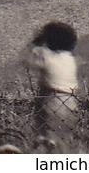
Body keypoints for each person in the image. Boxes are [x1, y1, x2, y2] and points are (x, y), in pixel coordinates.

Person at [26, 21, 79, 151]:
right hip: (70, 101)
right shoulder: (70, 57)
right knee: (63, 137)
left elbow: (30, 63)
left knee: (47, 135)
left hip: (51, 99)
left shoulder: (44, 54)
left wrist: (35, 43)